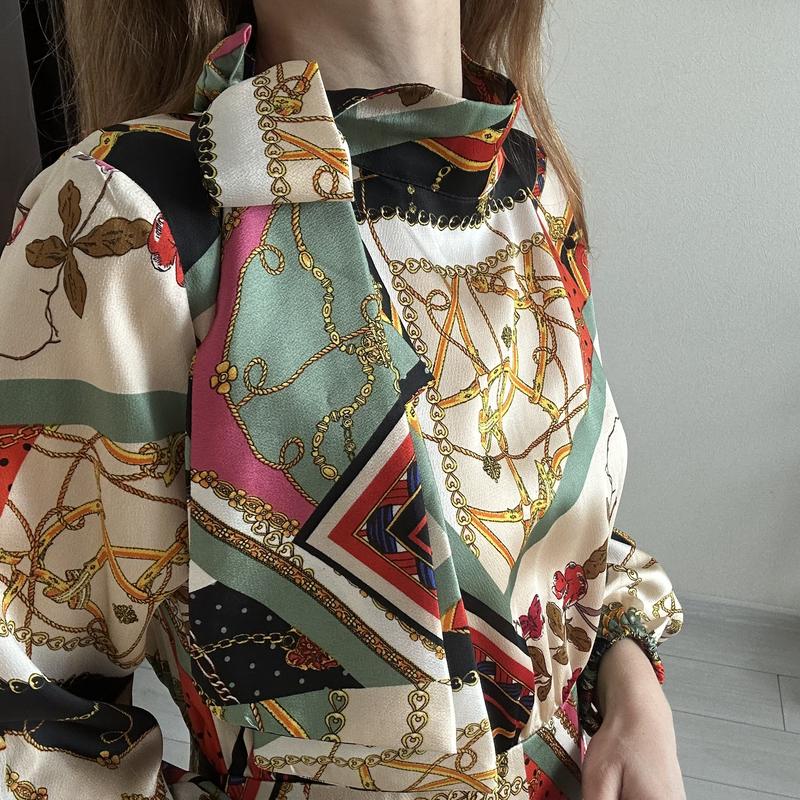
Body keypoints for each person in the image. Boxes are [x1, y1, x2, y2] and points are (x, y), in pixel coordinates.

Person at [0, 1, 686, 798]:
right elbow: (23, 716)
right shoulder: (132, 220)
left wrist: (633, 695)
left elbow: (572, 555)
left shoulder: (535, 190)